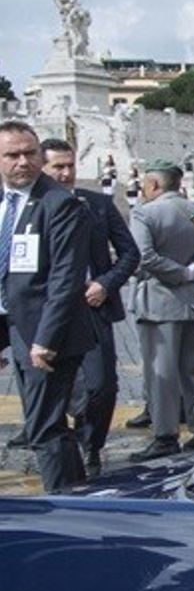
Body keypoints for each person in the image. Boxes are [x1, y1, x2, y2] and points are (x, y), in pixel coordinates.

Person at [0, 121, 94, 491]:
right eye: (12, 155)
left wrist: (46, 339)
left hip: (45, 333)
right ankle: (77, 496)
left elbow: (66, 278)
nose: (23, 162)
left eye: (30, 153)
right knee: (45, 424)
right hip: (13, 326)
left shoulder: (60, 203)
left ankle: (65, 504)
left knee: (45, 427)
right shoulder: (5, 203)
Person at [38, 137, 140, 477]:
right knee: (50, 387)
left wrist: (106, 283)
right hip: (45, 311)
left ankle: (91, 442)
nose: (66, 173)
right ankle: (60, 449)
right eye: (58, 167)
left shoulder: (97, 203)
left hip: (91, 305)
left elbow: (130, 253)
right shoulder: (29, 208)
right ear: (43, 167)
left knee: (102, 385)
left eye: (70, 166)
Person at [128, 158, 194, 461]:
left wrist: (180, 274)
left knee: (161, 374)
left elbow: (143, 256)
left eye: (145, 184)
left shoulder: (144, 213)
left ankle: (165, 435)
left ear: (154, 184)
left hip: (158, 303)